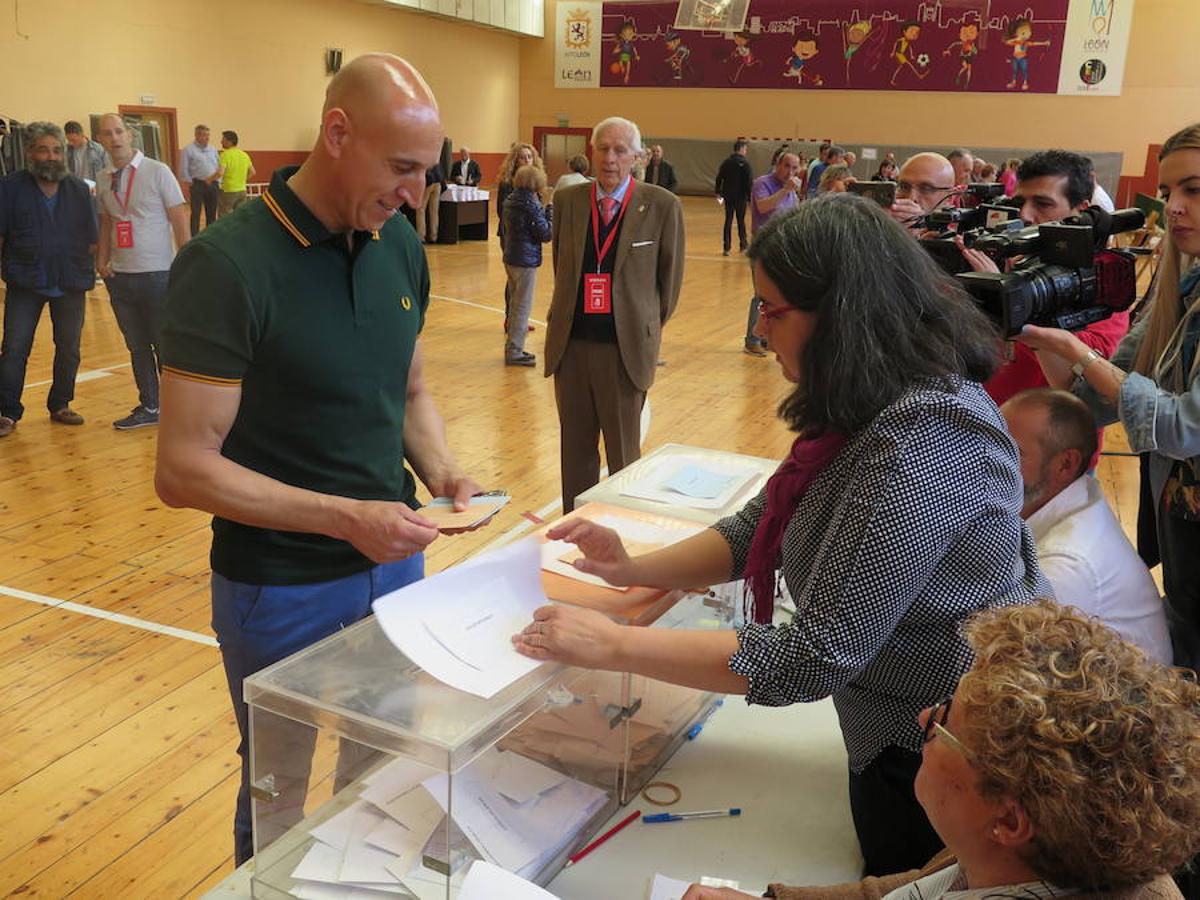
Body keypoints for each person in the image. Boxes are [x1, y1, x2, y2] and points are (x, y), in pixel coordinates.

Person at [517, 194, 1046, 877]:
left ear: (844, 315)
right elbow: (757, 527)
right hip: (896, 729)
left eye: (773, 310)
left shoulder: (923, 438)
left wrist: (615, 644)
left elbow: (817, 654)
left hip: (942, 761)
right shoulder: (867, 403)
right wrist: (630, 569)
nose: (761, 331)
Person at [155, 53, 484, 865]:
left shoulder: (399, 243)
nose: (416, 193)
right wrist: (344, 517)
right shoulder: (227, 266)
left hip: (394, 568)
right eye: (402, 168)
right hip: (277, 585)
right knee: (278, 794)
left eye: (426, 172)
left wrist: (440, 469)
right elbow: (184, 469)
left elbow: (407, 394)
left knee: (379, 781)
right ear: (337, 133)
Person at [683, 601, 1200, 900]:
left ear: (1010, 819)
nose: (924, 717)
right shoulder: (1065, 843)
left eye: (945, 722)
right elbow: (921, 885)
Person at [1017, 123, 1200, 675]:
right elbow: (1089, 400)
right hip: (1181, 525)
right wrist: (1037, 331)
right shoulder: (1179, 289)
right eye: (1168, 194)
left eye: (1194, 190)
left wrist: (1081, 353)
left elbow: (1182, 427)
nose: (1174, 208)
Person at [543, 115, 684, 512]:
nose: (609, 158)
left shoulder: (661, 205)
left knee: (624, 457)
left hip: (623, 354)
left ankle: (623, 530)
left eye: (620, 150)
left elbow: (668, 288)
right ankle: (571, 534)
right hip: (571, 349)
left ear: (637, 156)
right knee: (575, 455)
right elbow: (561, 268)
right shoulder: (568, 201)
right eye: (602, 148)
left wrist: (641, 327)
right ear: (591, 152)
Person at [1001, 389, 1171, 662]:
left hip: (1116, 701)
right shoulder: (1076, 496)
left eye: (1012, 451)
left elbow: (1010, 664)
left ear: (1066, 464)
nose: (990, 460)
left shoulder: (1065, 564)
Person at [958, 150, 1130, 414]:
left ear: (1081, 211)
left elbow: (1085, 387)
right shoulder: (1008, 258)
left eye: (1043, 204)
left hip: (1052, 444)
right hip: (990, 428)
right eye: (1020, 203)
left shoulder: (1102, 282)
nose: (1025, 215)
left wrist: (1006, 294)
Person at [0, 121, 97, 437]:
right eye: (44, 149)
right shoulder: (10, 187)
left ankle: (61, 403)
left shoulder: (79, 190)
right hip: (25, 281)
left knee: (68, 347)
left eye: (57, 150)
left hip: (70, 280)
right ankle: (7, 412)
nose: (51, 156)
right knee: (14, 348)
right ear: (30, 153)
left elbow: (92, 236)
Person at [95, 112, 188, 430]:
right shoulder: (103, 177)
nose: (115, 138)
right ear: (100, 140)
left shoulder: (157, 171)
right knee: (137, 346)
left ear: (130, 135)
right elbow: (107, 221)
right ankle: (150, 406)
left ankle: (179, 410)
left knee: (165, 345)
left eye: (119, 131)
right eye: (107, 133)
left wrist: (187, 263)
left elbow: (179, 218)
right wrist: (103, 259)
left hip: (158, 273)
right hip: (120, 277)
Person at [744, 151, 802, 356]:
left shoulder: (793, 191)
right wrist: (785, 190)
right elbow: (763, 206)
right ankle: (752, 340)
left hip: (783, 247)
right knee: (760, 295)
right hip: (763, 247)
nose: (791, 172)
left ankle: (769, 337)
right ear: (777, 165)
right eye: (787, 166)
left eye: (795, 168)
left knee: (779, 295)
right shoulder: (763, 183)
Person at [502, 164, 552, 367]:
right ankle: (514, 350)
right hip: (525, 260)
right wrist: (549, 209)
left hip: (511, 256)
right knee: (522, 306)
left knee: (515, 304)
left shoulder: (510, 200)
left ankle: (513, 347)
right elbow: (546, 233)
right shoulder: (530, 205)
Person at [496, 142, 544, 328]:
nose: (526, 160)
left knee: (524, 282)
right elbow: (503, 211)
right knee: (514, 280)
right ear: (515, 160)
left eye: (529, 156)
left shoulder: (535, 181)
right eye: (523, 157)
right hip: (510, 236)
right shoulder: (508, 182)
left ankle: (519, 319)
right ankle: (511, 318)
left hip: (529, 237)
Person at [888, 152, 956, 230]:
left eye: (926, 189)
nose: (911, 198)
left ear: (949, 197)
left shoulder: (959, 239)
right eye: (904, 187)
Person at [178, 124, 221, 235]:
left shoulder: (213, 149)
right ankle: (195, 237)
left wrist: (218, 182)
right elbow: (183, 168)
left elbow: (218, 165)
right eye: (204, 135)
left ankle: (210, 235)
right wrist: (191, 183)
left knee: (211, 212)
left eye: (208, 135)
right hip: (198, 184)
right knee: (196, 213)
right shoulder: (188, 150)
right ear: (196, 135)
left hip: (213, 184)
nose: (207, 138)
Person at [715, 138, 753, 256]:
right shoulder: (745, 164)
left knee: (728, 220)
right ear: (741, 149)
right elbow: (749, 182)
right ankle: (743, 245)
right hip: (740, 197)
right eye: (745, 149)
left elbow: (719, 178)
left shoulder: (726, 162)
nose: (746, 151)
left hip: (728, 196)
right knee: (741, 221)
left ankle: (726, 247)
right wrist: (750, 197)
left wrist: (718, 192)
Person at [216, 130, 255, 216]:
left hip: (228, 190)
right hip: (242, 190)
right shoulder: (244, 155)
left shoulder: (225, 154)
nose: (221, 142)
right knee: (239, 216)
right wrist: (242, 181)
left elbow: (220, 173)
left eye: (223, 139)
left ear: (229, 142)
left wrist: (210, 179)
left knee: (224, 216)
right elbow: (252, 172)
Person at [415, 157, 444, 243]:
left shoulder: (423, 154)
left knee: (420, 209)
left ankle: (421, 236)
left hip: (429, 182)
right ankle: (433, 236)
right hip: (438, 182)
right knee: (434, 211)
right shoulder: (433, 152)